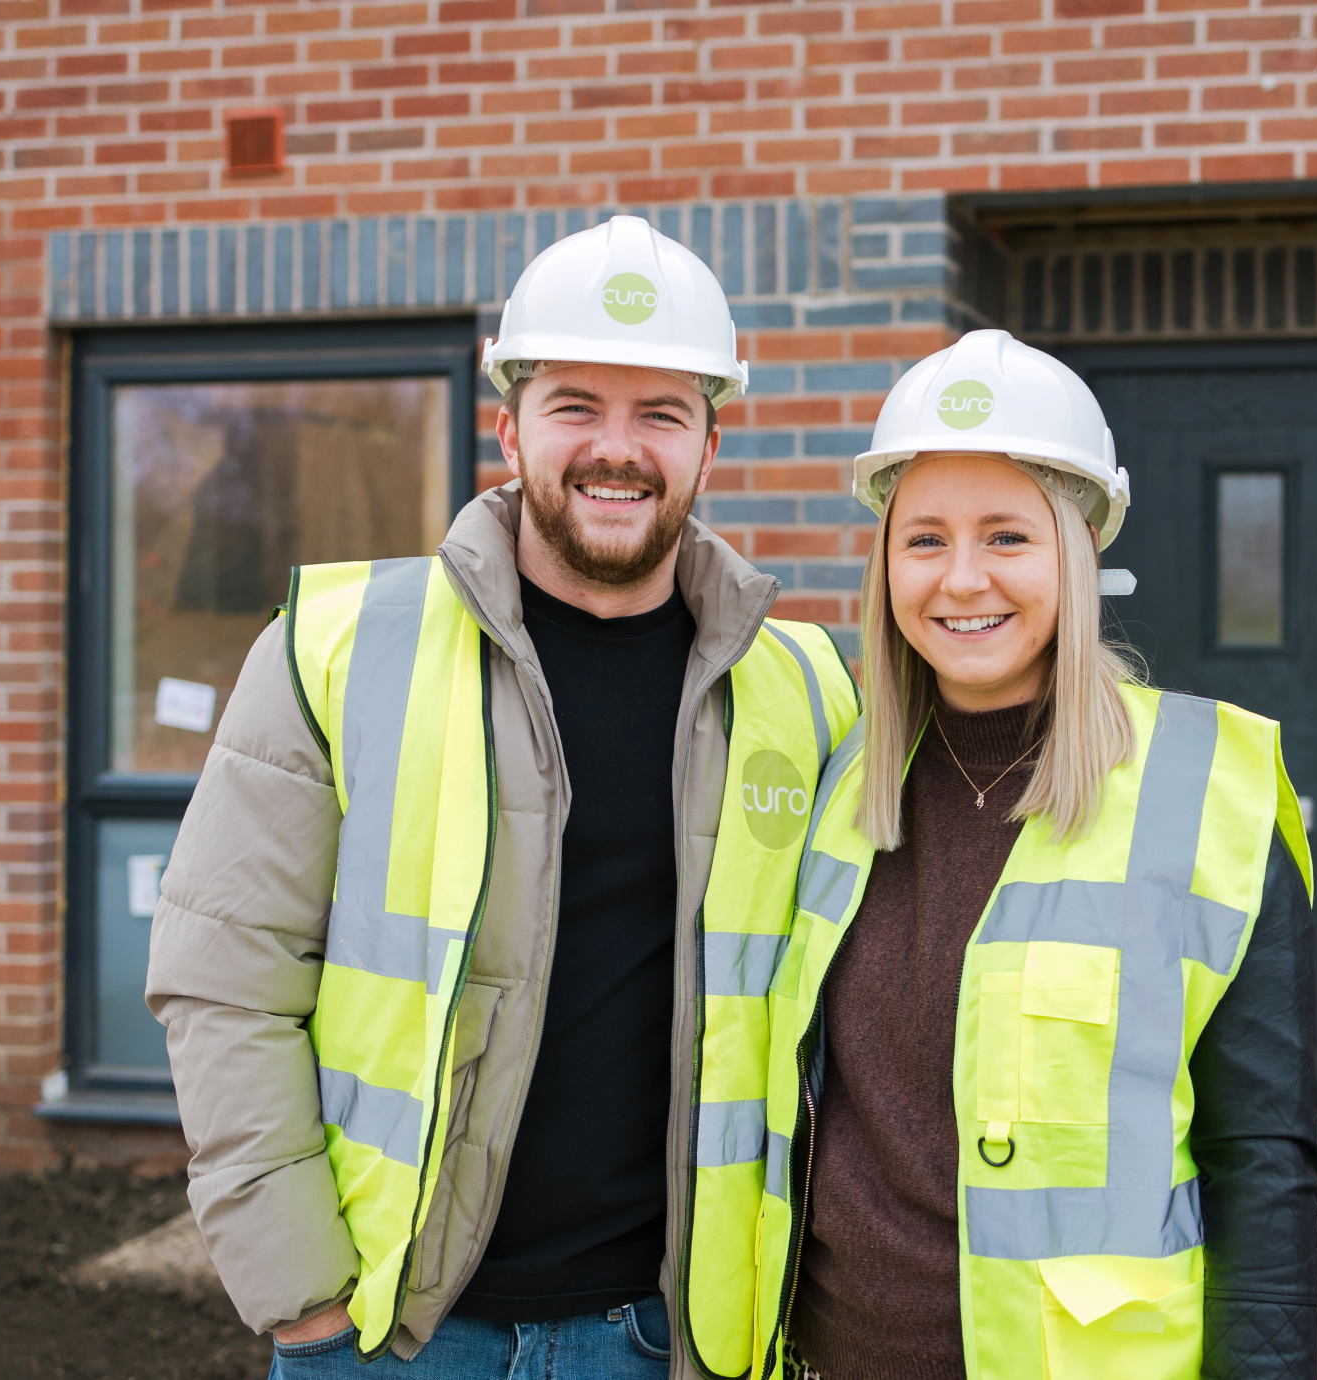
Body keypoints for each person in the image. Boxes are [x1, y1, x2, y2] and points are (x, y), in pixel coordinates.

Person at [145, 216, 858, 1380]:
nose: (614, 449)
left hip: (668, 1339)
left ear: (710, 446)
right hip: (389, 1340)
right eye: (574, 405)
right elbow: (224, 983)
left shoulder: (812, 694)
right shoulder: (331, 650)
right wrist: (303, 1303)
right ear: (509, 433)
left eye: (660, 414)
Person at [752, 330, 1317, 1380]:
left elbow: (1262, 1167)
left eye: (1006, 536)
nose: (960, 578)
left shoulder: (1208, 787)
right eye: (923, 540)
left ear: (1077, 546)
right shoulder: (828, 780)